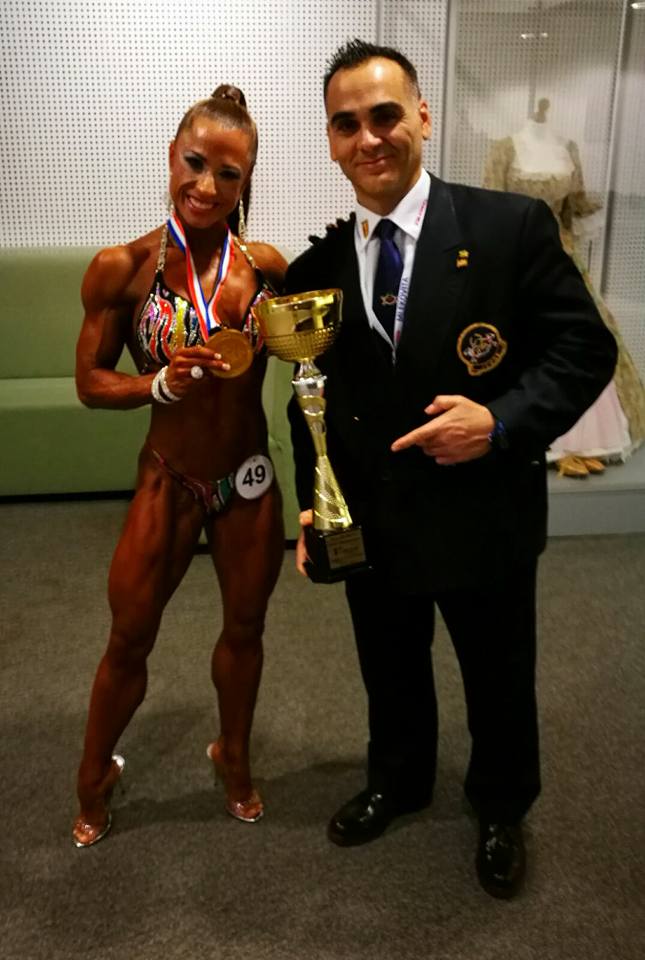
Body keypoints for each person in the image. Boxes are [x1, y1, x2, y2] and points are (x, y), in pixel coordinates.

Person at [286, 40, 617, 898]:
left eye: (384, 115)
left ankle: (501, 805)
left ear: (422, 117)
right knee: (387, 665)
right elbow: (307, 396)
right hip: (373, 519)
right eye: (347, 124)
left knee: (497, 674)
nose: (368, 137)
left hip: (482, 510)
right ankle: (398, 780)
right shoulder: (317, 269)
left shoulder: (507, 229)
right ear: (330, 141)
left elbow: (584, 349)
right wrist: (312, 505)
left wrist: (500, 422)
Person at [72, 85, 287, 848]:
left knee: (246, 628)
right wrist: (155, 384)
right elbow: (89, 382)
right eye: (195, 163)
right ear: (171, 156)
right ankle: (92, 777)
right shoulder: (122, 268)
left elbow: (309, 353)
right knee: (129, 636)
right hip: (168, 475)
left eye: (228, 174)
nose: (206, 186)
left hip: (247, 480)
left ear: (245, 181)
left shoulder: (266, 268)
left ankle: (234, 756)